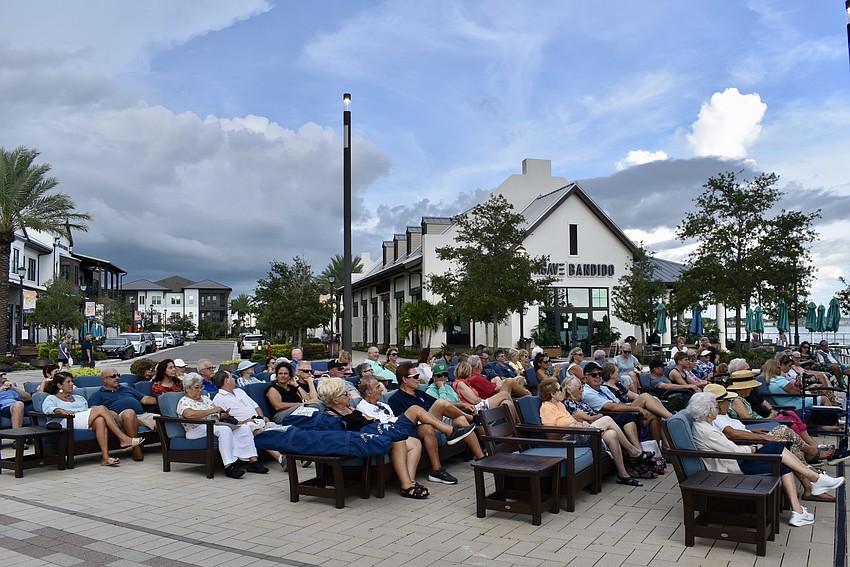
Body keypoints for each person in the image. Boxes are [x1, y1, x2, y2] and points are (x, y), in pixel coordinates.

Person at [686, 392, 844, 527]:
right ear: (708, 411)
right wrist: (756, 448)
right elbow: (734, 451)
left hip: (733, 461)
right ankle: (815, 479)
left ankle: (798, 511)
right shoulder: (708, 431)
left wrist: (757, 446)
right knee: (776, 448)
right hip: (732, 466)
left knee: (781, 461)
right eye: (714, 407)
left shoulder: (704, 426)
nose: (717, 409)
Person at [350, 376, 475, 497]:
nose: (382, 389)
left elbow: (393, 418)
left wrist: (403, 418)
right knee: (415, 409)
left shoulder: (383, 405)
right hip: (388, 431)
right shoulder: (362, 407)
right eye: (377, 387)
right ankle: (450, 431)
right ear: (368, 392)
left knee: (427, 429)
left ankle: (417, 480)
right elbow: (375, 426)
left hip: (397, 428)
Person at [538, 378, 651, 486]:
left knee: (611, 434)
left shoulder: (560, 405)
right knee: (607, 420)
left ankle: (623, 474)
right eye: (559, 389)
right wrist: (572, 428)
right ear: (552, 394)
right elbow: (550, 434)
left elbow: (572, 421)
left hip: (578, 433)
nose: (562, 392)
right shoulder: (546, 408)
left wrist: (581, 425)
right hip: (568, 439)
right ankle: (633, 452)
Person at [388, 362, 486, 485]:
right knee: (438, 406)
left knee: (460, 420)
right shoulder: (395, 399)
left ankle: (481, 458)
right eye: (415, 376)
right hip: (417, 427)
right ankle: (472, 420)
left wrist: (464, 405)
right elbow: (403, 423)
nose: (419, 379)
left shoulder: (418, 393)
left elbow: (445, 404)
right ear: (404, 379)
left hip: (435, 423)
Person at [42, 372, 144, 467]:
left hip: (82, 420)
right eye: (68, 382)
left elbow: (86, 411)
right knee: (101, 408)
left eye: (72, 381)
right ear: (59, 386)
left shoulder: (79, 398)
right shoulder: (52, 398)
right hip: (66, 421)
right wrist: (61, 410)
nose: (72, 384)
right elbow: (47, 409)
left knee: (100, 420)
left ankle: (105, 458)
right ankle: (123, 438)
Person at [177, 373, 266, 479]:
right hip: (195, 429)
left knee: (243, 428)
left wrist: (222, 415)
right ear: (187, 388)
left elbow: (216, 413)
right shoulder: (184, 401)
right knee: (224, 430)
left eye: (201, 387)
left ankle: (253, 462)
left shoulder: (205, 398)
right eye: (196, 387)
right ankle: (229, 466)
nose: (200, 390)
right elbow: (189, 414)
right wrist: (212, 410)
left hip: (213, 425)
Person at [583, 362, 672, 445]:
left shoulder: (604, 389)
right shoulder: (588, 393)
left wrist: (636, 405)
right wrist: (637, 408)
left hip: (622, 411)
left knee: (654, 414)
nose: (598, 377)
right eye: (594, 375)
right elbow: (612, 407)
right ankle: (671, 419)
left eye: (599, 374)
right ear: (585, 378)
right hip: (614, 417)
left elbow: (619, 402)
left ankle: (656, 450)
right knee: (644, 396)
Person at [212, 370, 283, 465]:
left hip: (258, 422)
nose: (234, 379)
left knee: (281, 428)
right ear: (226, 381)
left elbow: (256, 406)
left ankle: (294, 454)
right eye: (232, 377)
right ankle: (281, 458)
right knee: (260, 432)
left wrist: (261, 417)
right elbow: (227, 420)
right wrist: (245, 421)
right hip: (243, 426)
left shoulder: (239, 391)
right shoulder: (219, 398)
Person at [88, 367, 159, 461]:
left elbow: (144, 399)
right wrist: (108, 412)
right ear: (105, 380)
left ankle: (173, 449)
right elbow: (94, 410)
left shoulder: (126, 388)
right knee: (129, 413)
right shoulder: (98, 395)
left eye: (118, 375)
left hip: (141, 416)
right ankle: (136, 449)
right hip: (120, 418)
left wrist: (162, 399)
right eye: (113, 376)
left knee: (163, 420)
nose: (117, 378)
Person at [452, 357, 528, 423]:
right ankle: (521, 422)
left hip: (480, 404)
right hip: (476, 408)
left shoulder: (467, 382)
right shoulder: (461, 383)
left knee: (507, 402)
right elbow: (475, 401)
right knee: (505, 392)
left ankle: (516, 429)